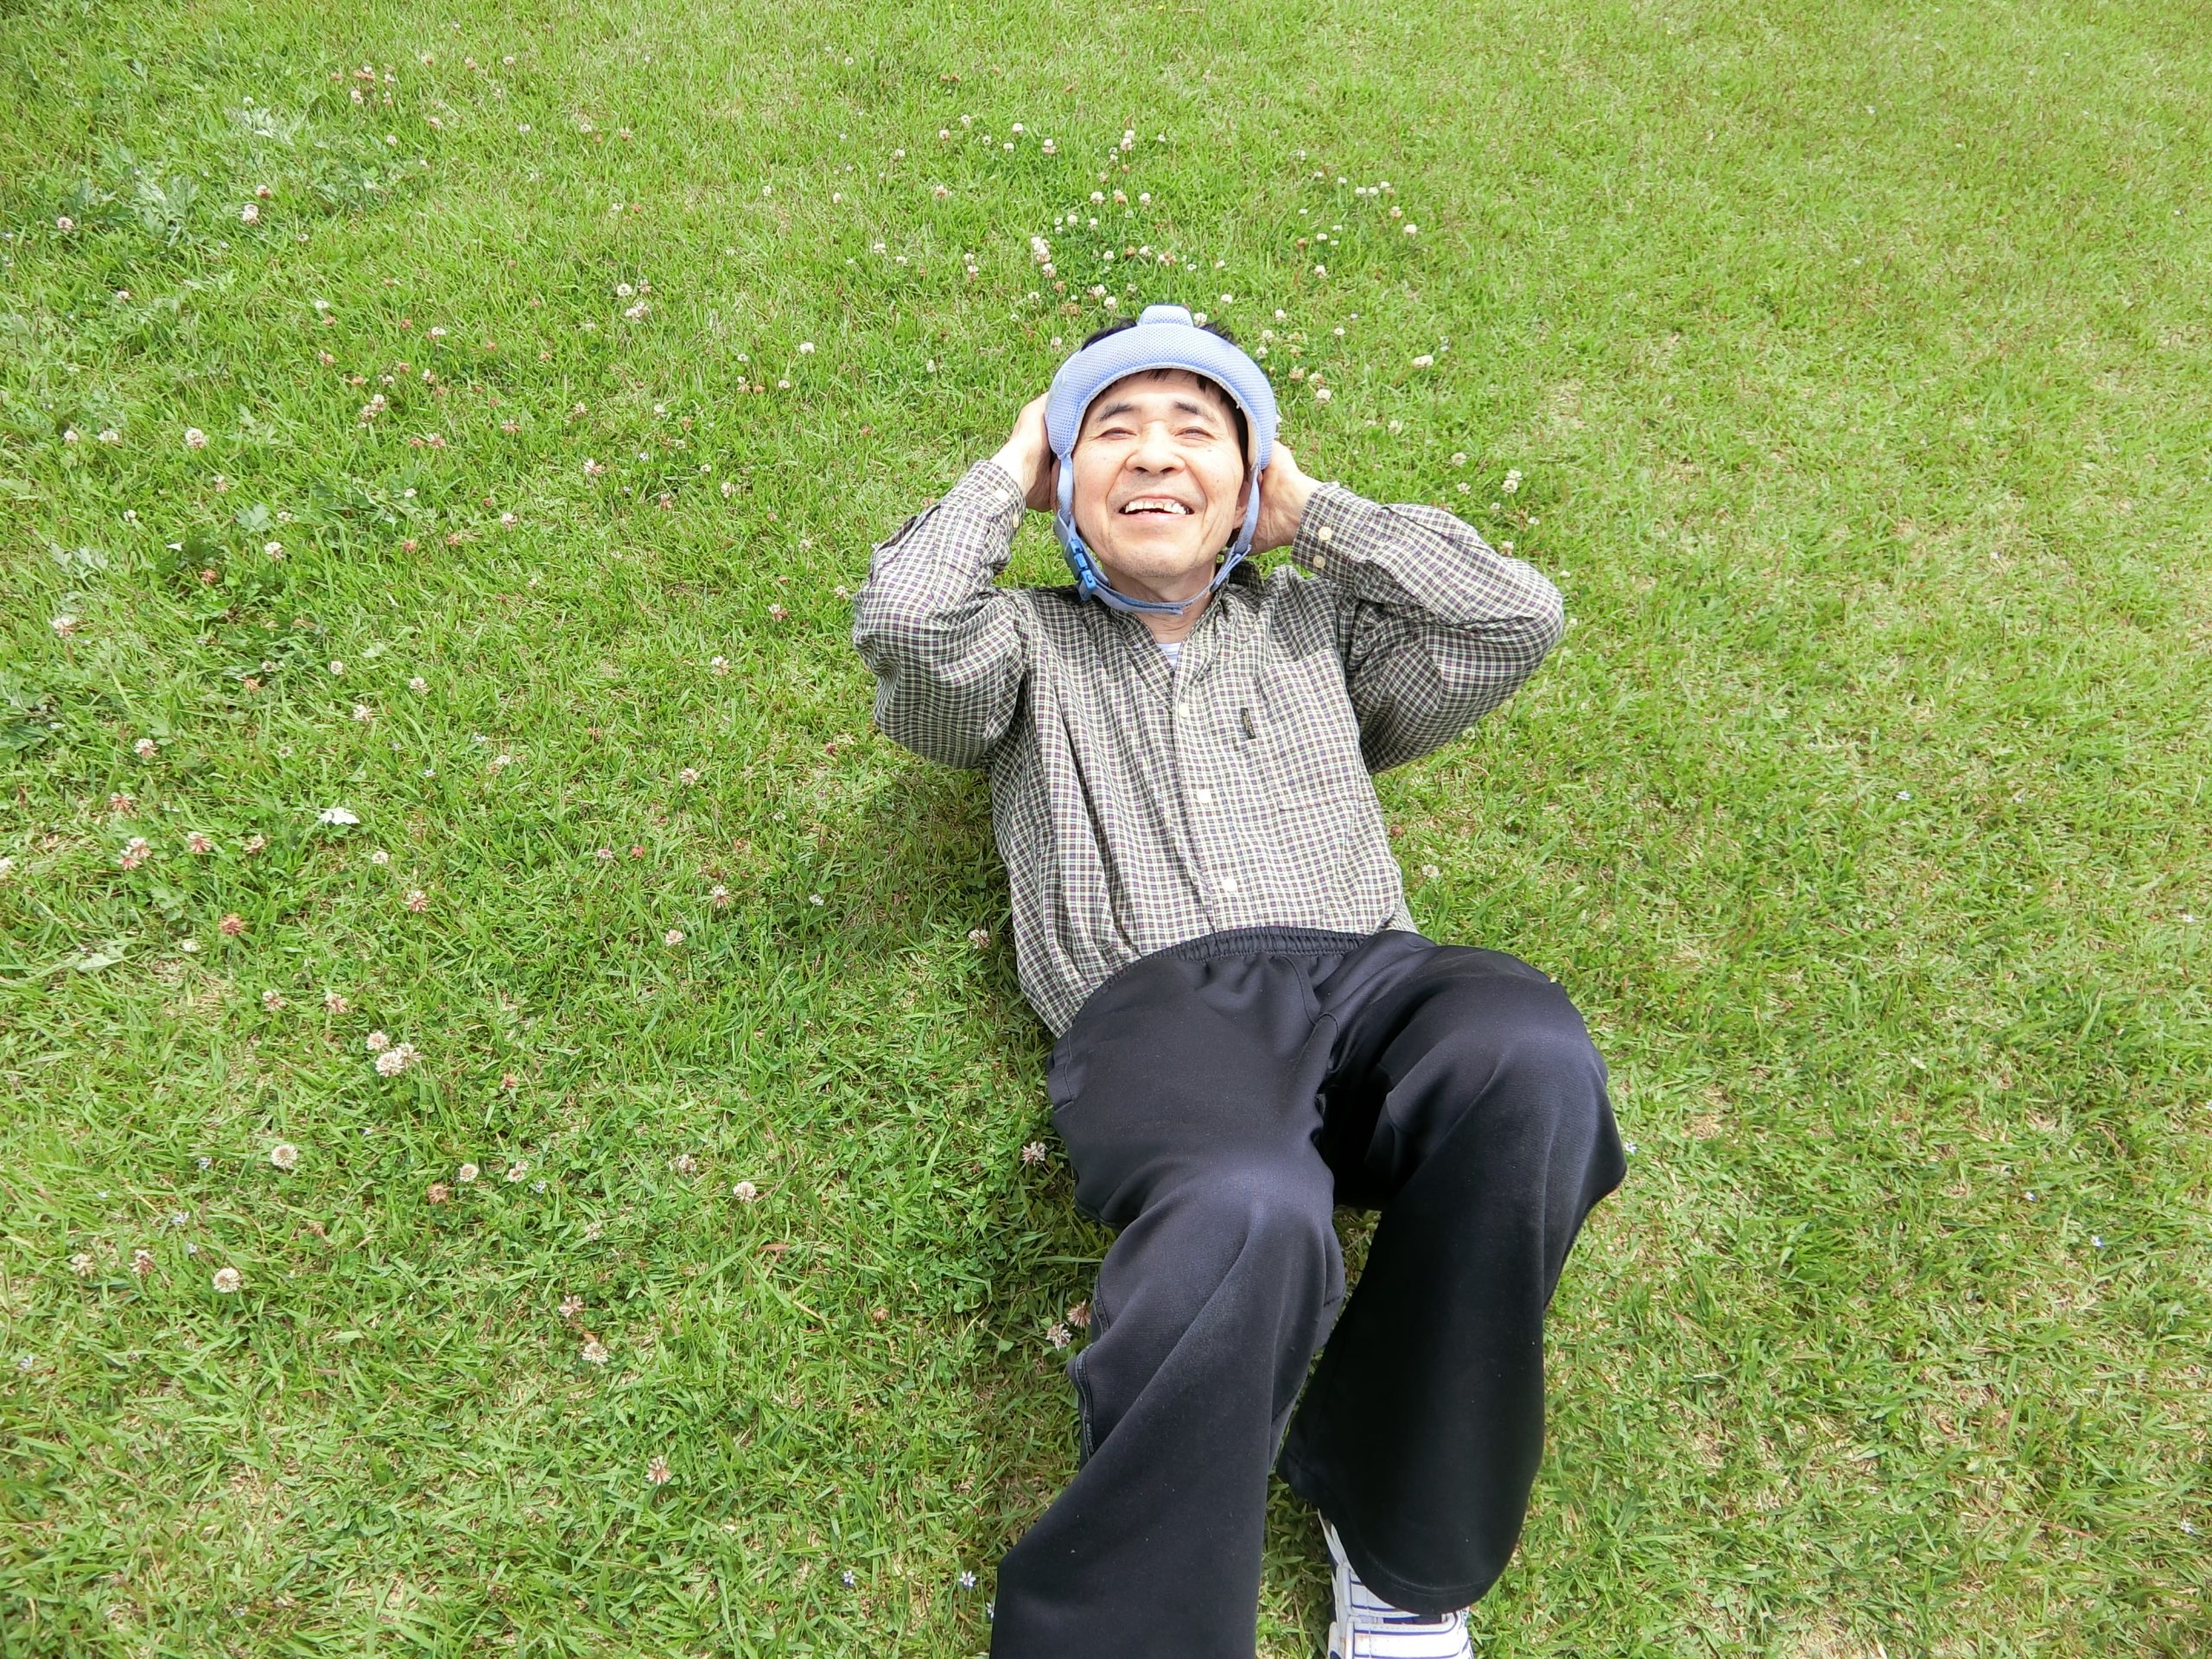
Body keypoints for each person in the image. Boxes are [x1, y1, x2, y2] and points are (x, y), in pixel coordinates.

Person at [850, 304, 1625, 1659]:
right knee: (1248, 1211)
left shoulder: (1317, 631)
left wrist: (1312, 514)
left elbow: (1516, 615)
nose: (1155, 453)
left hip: (1376, 987)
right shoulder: (1017, 652)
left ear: (1249, 480)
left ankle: (1401, 1555)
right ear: (1063, 486)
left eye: (1196, 429)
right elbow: (909, 625)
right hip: (1163, 1013)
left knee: (1535, 1060)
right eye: (1112, 430)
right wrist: (1009, 466)